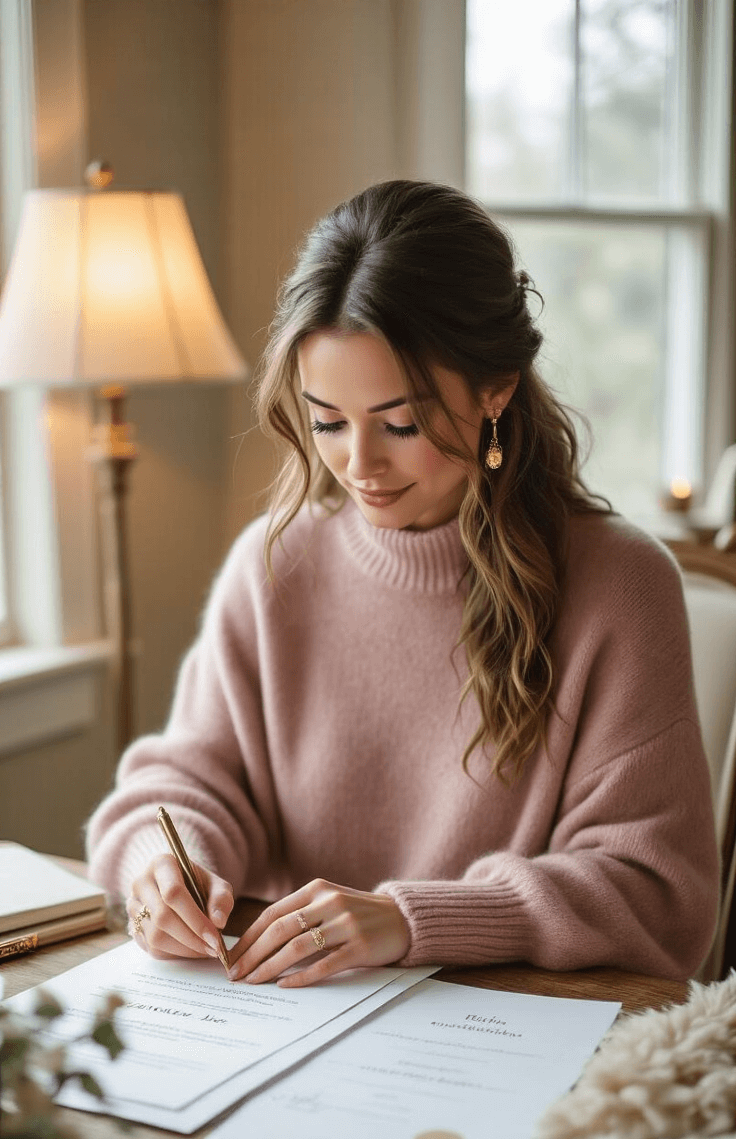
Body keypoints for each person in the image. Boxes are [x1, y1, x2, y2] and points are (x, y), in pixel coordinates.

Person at [86, 179, 719, 986]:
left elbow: (656, 893)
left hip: (506, 1038)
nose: (358, 465)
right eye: (327, 421)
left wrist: (411, 921)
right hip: (288, 1020)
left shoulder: (621, 588)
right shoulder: (275, 565)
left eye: (400, 424)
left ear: (496, 389)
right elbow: (183, 781)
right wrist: (164, 865)